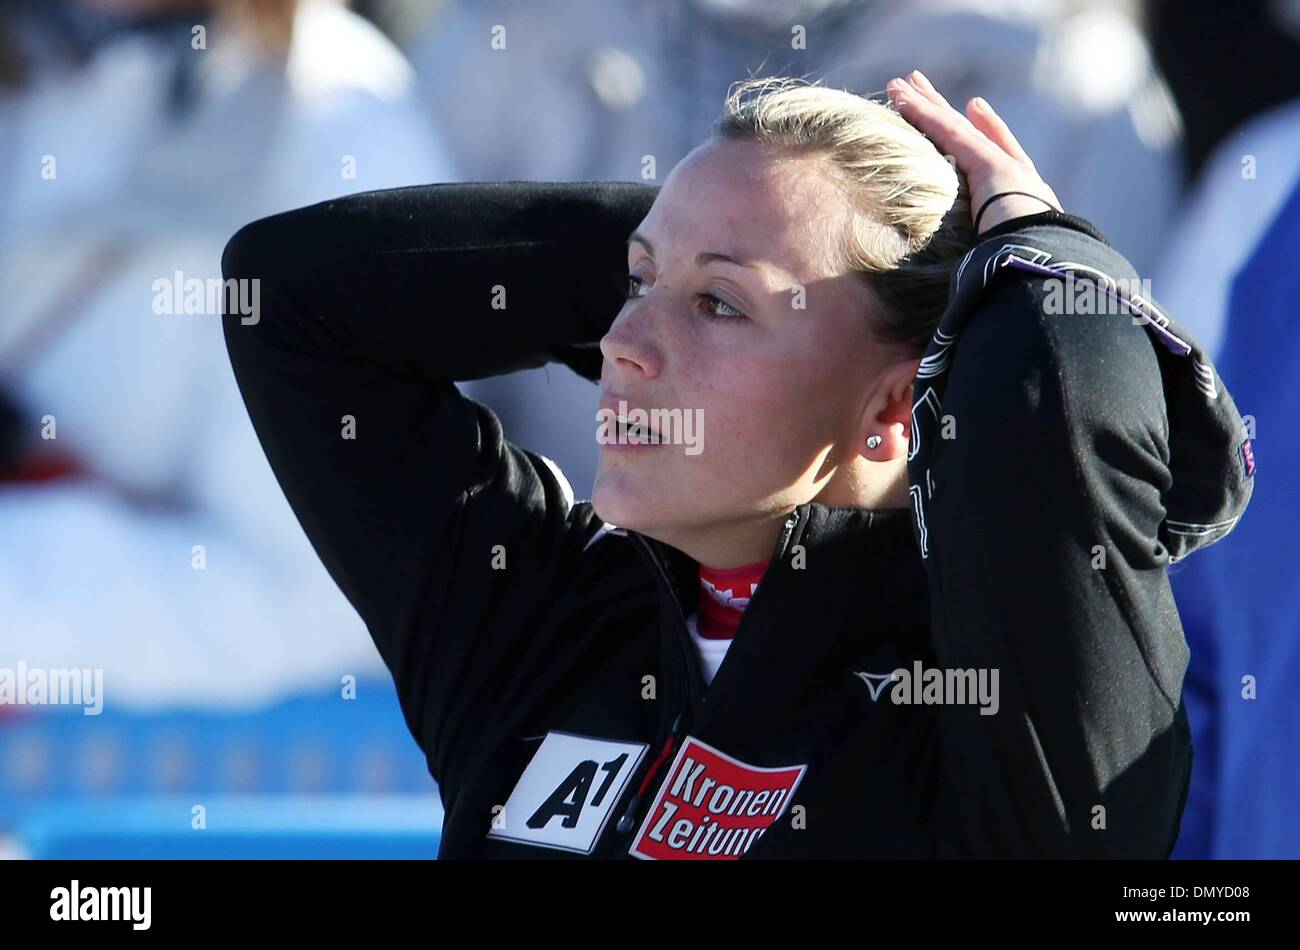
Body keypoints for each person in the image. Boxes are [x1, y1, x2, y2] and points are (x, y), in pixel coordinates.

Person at [220, 72, 1252, 858]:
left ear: (895, 406)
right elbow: (290, 294)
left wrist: (1034, 244)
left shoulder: (991, 708)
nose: (620, 344)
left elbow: (1048, 393)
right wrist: (716, 231)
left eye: (719, 308)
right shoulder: (541, 620)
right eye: (632, 282)